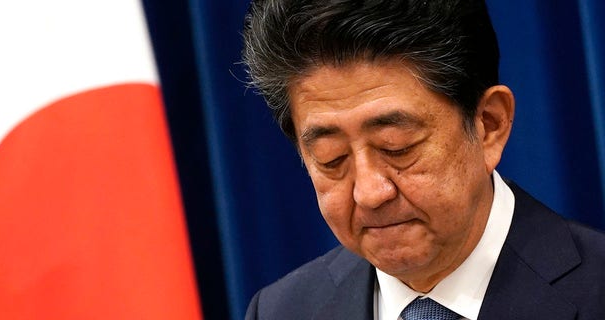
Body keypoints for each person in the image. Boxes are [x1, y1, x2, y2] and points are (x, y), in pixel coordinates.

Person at [241, 0, 605, 319]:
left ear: (488, 125)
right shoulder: (281, 310)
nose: (369, 193)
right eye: (331, 158)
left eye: (396, 147)